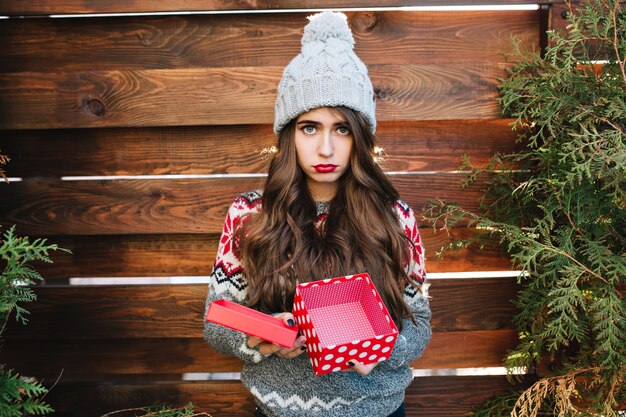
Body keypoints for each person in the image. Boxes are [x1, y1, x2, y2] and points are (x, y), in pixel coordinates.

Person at [204, 11, 431, 417]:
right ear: (289, 134)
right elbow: (217, 323)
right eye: (310, 127)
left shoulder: (395, 217)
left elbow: (419, 326)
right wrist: (265, 338)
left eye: (342, 128)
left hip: (377, 410)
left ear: (360, 137)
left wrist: (378, 350)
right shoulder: (249, 213)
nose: (325, 148)